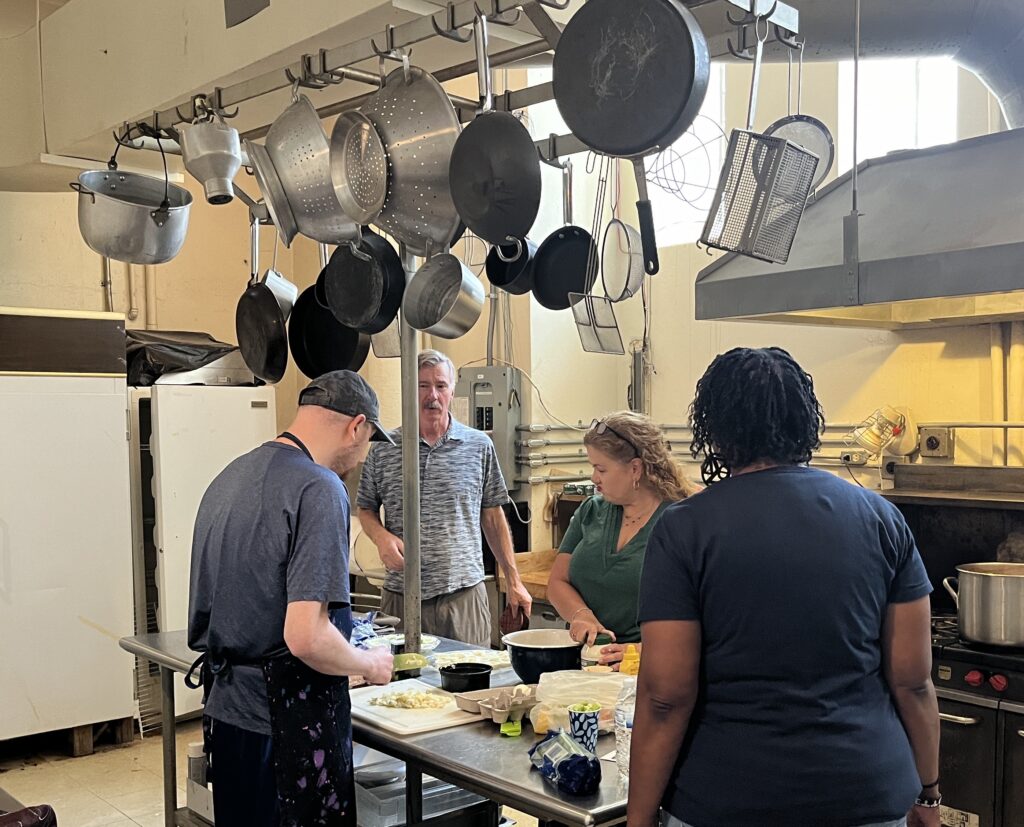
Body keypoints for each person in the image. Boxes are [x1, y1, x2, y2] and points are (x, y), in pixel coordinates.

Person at [628, 347, 941, 827]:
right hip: (866, 793)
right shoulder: (881, 518)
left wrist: (640, 818)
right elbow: (913, 681)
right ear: (805, 422)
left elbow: (666, 696)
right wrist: (929, 794)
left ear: (715, 429)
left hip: (726, 797)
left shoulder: (685, 529)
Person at [188, 371, 395, 827]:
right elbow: (305, 636)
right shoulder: (319, 488)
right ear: (356, 426)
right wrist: (367, 663)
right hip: (286, 728)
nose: (362, 455)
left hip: (226, 716)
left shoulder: (229, 477)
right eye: (368, 441)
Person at [357, 349, 532, 647]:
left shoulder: (478, 446)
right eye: (423, 386)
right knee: (400, 687)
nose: (432, 395)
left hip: (463, 596)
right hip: (401, 596)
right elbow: (365, 508)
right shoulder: (384, 448)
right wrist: (381, 538)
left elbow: (492, 516)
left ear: (452, 391)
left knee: (470, 685)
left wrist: (514, 580)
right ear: (410, 391)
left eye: (440, 385)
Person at [546, 411, 700, 666]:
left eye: (601, 469)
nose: (594, 478)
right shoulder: (591, 510)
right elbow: (558, 582)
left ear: (635, 468)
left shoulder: (682, 520)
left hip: (651, 669)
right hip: (584, 665)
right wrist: (580, 616)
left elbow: (704, 612)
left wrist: (643, 650)